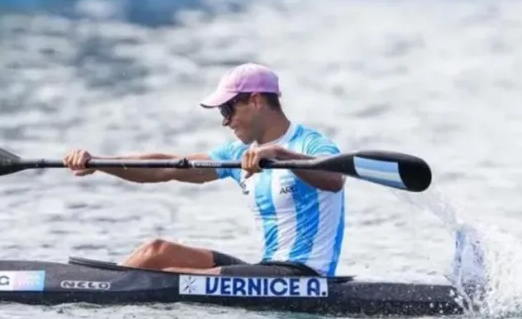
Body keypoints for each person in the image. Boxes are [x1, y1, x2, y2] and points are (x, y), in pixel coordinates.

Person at [62, 62, 346, 277]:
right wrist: (99, 163)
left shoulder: (312, 144)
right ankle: (100, 286)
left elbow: (335, 180)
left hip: (304, 275)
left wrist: (278, 153)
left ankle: (98, 291)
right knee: (156, 252)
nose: (225, 121)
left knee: (171, 276)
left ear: (256, 101)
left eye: (227, 110)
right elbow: (166, 168)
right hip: (267, 270)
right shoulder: (237, 154)